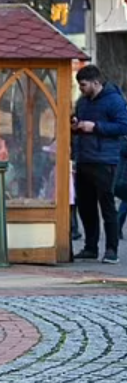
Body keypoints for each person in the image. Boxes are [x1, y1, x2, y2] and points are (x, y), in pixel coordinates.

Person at [71, 64, 127, 264]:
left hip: (105, 160)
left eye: (83, 85)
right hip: (84, 159)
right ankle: (90, 247)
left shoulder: (114, 101)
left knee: (107, 205)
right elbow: (77, 121)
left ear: (96, 82)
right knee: (86, 207)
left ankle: (111, 250)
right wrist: (75, 125)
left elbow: (123, 125)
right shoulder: (83, 102)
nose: (81, 89)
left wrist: (95, 126)